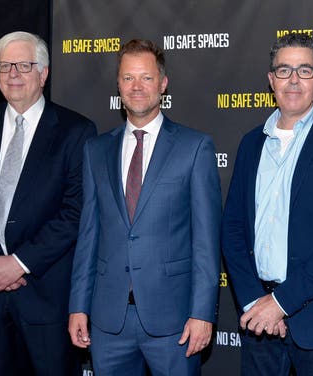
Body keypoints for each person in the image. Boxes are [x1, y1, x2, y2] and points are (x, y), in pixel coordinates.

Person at [0, 31, 97, 376]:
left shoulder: (76, 131)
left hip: (45, 299)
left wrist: (20, 263)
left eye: (24, 65)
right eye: (5, 66)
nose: (13, 74)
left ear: (44, 73)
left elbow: (76, 210)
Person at [68, 39, 221, 376]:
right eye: (128, 78)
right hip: (109, 321)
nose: (137, 87)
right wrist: (78, 305)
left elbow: (206, 242)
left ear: (163, 84)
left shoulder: (194, 148)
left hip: (175, 320)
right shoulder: (96, 151)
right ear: (118, 84)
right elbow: (88, 235)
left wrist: (203, 313)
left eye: (146, 78)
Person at [222, 33, 313, 375]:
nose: (293, 79)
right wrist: (254, 303)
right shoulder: (250, 144)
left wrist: (280, 304)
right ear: (270, 79)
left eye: (304, 71)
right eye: (284, 70)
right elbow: (232, 229)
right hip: (257, 323)